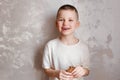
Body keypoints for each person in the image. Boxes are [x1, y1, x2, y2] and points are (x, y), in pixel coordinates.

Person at [42, 4, 90, 80]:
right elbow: (46, 69)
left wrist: (84, 71)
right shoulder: (50, 46)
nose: (65, 23)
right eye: (61, 20)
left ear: (77, 24)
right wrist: (56, 73)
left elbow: (87, 70)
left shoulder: (84, 47)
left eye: (70, 20)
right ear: (56, 24)